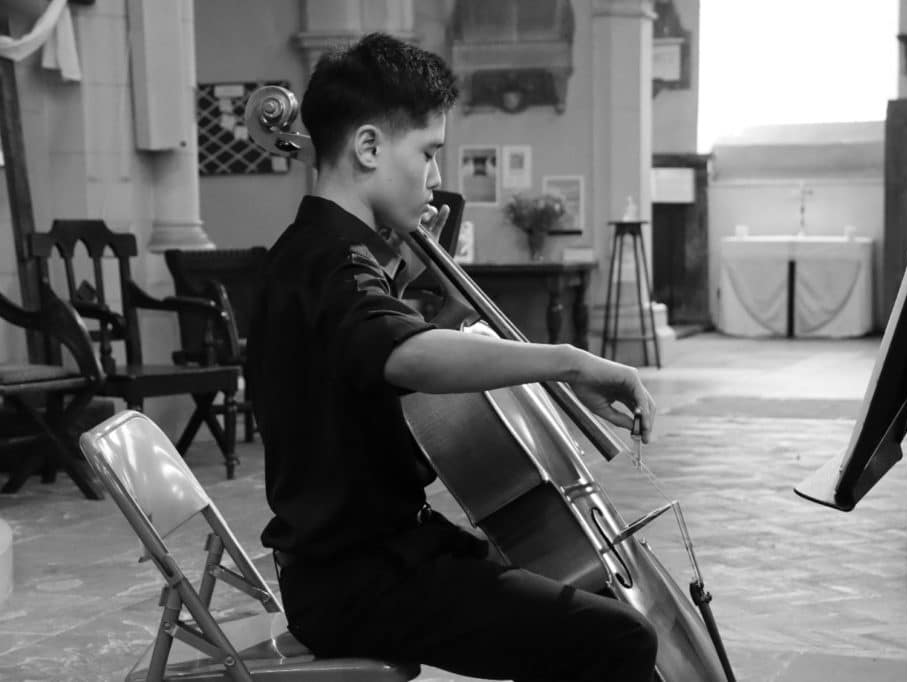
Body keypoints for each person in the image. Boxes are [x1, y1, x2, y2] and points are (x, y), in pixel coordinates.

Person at [247, 33, 659, 682]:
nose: (436, 177)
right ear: (369, 147)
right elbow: (404, 355)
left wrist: (402, 281)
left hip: (366, 560)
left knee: (562, 618)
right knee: (619, 639)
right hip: (363, 580)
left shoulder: (309, 253)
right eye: (429, 153)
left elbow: (356, 355)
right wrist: (569, 362)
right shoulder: (333, 261)